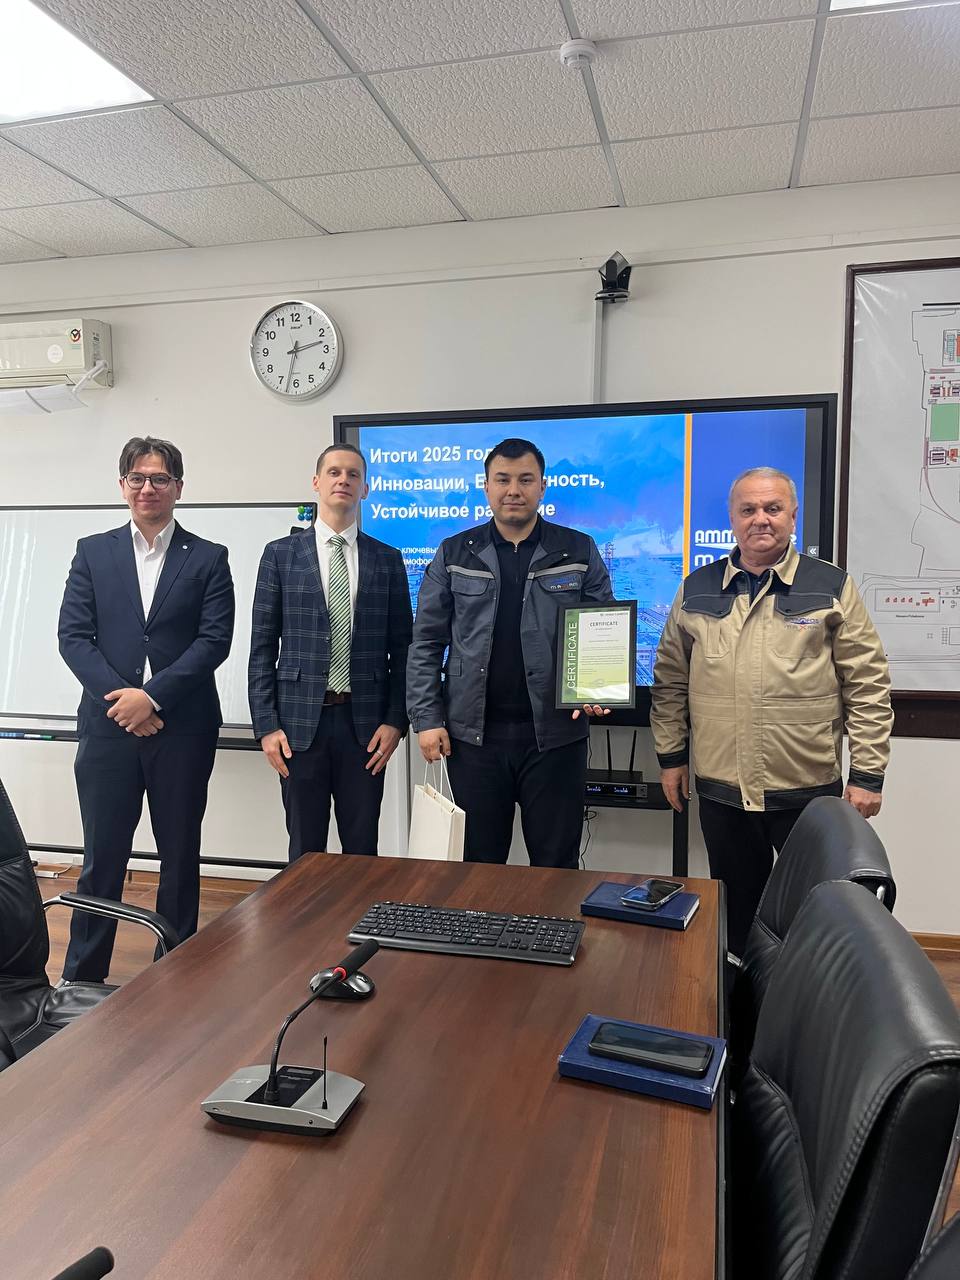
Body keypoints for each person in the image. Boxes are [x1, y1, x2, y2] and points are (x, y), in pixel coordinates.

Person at [651, 466, 893, 955]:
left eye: (772, 508)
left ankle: (805, 1001)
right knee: (738, 917)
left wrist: (867, 775)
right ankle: (743, 1000)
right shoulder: (696, 589)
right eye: (748, 509)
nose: (760, 519)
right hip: (722, 789)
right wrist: (671, 757)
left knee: (817, 916)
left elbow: (867, 682)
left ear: (792, 516)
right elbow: (670, 680)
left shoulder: (830, 586)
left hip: (806, 788)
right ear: (732, 519)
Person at [58, 436, 235, 981]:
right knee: (102, 858)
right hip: (108, 729)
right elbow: (73, 637)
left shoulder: (208, 557)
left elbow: (214, 641)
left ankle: (175, 977)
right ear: (122, 486)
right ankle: (82, 978)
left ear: (178, 487)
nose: (148, 488)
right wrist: (124, 702)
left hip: (182, 728)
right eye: (137, 478)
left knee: (179, 856)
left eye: (160, 478)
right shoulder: (93, 551)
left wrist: (152, 697)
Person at [407, 437, 613, 868]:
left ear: (542, 487)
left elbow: (601, 631)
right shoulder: (454, 553)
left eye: (525, 480)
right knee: (478, 867)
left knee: (556, 866)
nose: (513, 490)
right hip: (473, 741)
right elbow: (425, 642)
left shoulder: (578, 550)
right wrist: (427, 720)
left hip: (555, 740)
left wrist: (598, 686)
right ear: (486, 487)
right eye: (502, 480)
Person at [248, 443, 412, 859]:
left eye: (354, 474)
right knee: (305, 851)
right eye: (335, 472)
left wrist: (396, 721)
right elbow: (262, 648)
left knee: (362, 849)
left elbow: (403, 650)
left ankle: (360, 907)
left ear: (365, 489)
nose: (344, 480)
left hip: (366, 727)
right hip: (298, 728)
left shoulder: (387, 559)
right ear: (316, 482)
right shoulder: (280, 555)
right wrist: (266, 726)